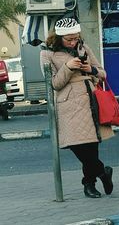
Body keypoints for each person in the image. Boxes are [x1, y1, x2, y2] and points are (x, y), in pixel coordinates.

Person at [40, 17, 114, 198]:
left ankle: (89, 185)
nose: (73, 42)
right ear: (58, 37)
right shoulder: (46, 53)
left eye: (75, 38)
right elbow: (54, 84)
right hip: (68, 106)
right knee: (78, 147)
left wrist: (91, 70)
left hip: (90, 102)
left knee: (91, 147)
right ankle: (103, 172)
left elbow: (102, 73)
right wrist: (67, 66)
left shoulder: (84, 48)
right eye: (69, 39)